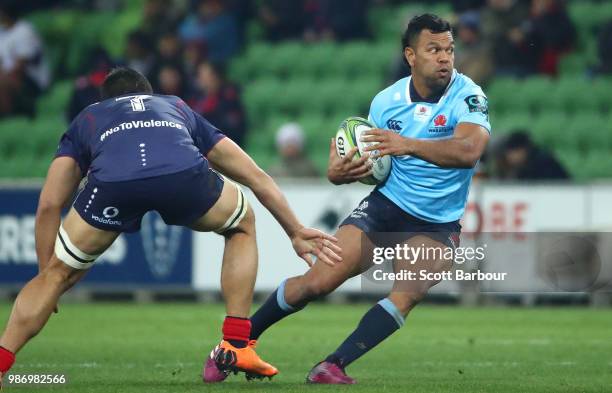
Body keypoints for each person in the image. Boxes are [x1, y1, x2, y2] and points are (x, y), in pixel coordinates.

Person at [0, 67, 342, 387]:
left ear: (103, 101)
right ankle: (236, 342)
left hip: (115, 185)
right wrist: (294, 230)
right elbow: (256, 176)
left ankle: (2, 363)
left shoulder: (89, 117)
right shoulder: (175, 105)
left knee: (58, 274)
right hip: (181, 175)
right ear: (150, 94)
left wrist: (48, 273)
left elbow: (48, 204)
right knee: (241, 223)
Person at [203, 13, 491, 384]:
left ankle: (332, 365)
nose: (444, 58)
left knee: (407, 293)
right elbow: (373, 164)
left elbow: (469, 150)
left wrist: (408, 144)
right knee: (317, 282)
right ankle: (233, 345)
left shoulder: (468, 95)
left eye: (449, 49)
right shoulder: (386, 102)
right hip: (386, 206)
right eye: (433, 49)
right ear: (410, 55)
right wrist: (341, 174)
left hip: (437, 222)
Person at [0, 1, 50, 117]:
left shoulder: (24, 31)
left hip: (31, 81)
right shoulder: (1, 32)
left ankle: (8, 118)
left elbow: (20, 67)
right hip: (8, 77)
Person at [190, 61, 247, 148]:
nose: (199, 78)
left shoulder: (229, 97)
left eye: (202, 75)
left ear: (214, 76)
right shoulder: (198, 99)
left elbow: (232, 128)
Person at [493, 131, 569, 180]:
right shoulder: (525, 164)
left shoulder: (542, 163)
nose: (509, 158)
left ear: (522, 151)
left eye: (511, 153)